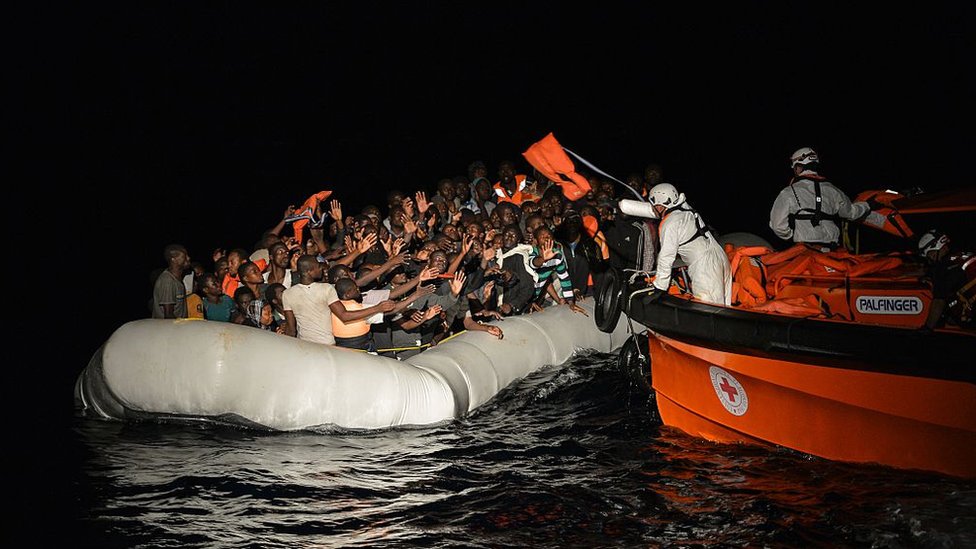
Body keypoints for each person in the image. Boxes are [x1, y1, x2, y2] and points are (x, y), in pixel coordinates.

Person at [769, 147, 870, 250]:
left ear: (798, 167)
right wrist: (867, 205)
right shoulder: (833, 190)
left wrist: (790, 235)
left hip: (806, 252)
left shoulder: (789, 192)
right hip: (831, 251)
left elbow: (778, 225)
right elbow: (851, 213)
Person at [647, 183, 731, 306]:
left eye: (652, 204)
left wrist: (660, 287)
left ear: (659, 205)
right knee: (724, 307)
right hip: (719, 257)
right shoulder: (686, 209)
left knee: (709, 310)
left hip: (705, 267)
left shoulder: (670, 223)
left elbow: (666, 256)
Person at [281, 255, 395, 345]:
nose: (321, 268)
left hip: (305, 345)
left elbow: (291, 330)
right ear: (309, 271)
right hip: (327, 345)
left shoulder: (287, 294)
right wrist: (377, 308)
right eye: (318, 266)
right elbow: (344, 316)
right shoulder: (326, 288)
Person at [917, 229, 974, 328]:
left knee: (949, 306)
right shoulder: (962, 254)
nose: (930, 259)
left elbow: (939, 302)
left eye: (930, 255)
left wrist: (927, 329)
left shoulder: (943, 268)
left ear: (935, 248)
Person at [152, 244, 190, 319]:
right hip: (168, 329)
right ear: (173, 259)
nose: (188, 258)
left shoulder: (177, 278)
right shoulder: (167, 281)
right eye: (184, 256)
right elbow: (168, 315)